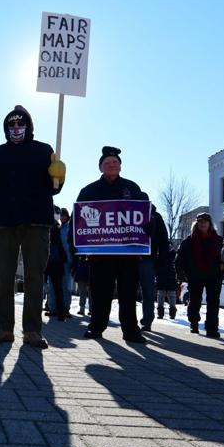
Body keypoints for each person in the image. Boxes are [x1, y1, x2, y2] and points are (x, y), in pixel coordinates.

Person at [0, 106, 65, 348]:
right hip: (4, 223)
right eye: (11, 125)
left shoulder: (44, 151)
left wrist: (59, 176)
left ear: (29, 127)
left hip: (37, 223)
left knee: (34, 278)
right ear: (6, 129)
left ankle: (32, 331)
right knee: (3, 278)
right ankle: (3, 328)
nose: (16, 129)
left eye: (20, 124)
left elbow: (54, 187)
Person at [77, 146, 148, 345]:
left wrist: (149, 225)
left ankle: (131, 331)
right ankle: (96, 326)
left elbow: (144, 214)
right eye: (107, 163)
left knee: (128, 293)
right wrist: (77, 246)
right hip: (100, 254)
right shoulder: (89, 190)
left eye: (115, 162)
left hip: (128, 253)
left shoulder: (132, 188)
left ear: (120, 166)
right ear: (101, 168)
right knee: (100, 292)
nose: (111, 165)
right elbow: (78, 220)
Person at [175, 213, 224, 338]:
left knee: (213, 302)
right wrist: (181, 274)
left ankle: (212, 328)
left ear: (210, 224)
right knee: (195, 300)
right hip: (195, 275)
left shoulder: (218, 240)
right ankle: (194, 323)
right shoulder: (188, 241)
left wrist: (223, 269)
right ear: (196, 224)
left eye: (205, 221)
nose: (203, 224)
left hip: (214, 276)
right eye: (200, 222)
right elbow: (179, 259)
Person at [139, 211, 170, 332]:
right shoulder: (154, 215)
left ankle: (146, 321)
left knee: (147, 291)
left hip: (147, 258)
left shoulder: (154, 216)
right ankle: (136, 321)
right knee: (144, 292)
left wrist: (162, 260)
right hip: (133, 258)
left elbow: (163, 239)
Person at [45, 208, 69, 321]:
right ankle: (59, 312)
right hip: (57, 261)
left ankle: (58, 310)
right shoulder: (57, 228)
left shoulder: (51, 228)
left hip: (52, 261)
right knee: (57, 288)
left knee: (55, 287)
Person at [155, 246, 179, 320]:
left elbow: (156, 266)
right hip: (171, 279)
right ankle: (172, 314)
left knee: (160, 296)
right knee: (171, 296)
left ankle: (161, 314)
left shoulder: (159, 255)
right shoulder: (174, 255)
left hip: (161, 278)